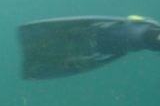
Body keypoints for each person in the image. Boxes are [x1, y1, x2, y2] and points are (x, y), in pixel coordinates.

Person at [18, 15, 160, 79]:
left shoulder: (145, 29)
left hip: (104, 41)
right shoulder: (146, 29)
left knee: (145, 37)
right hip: (103, 42)